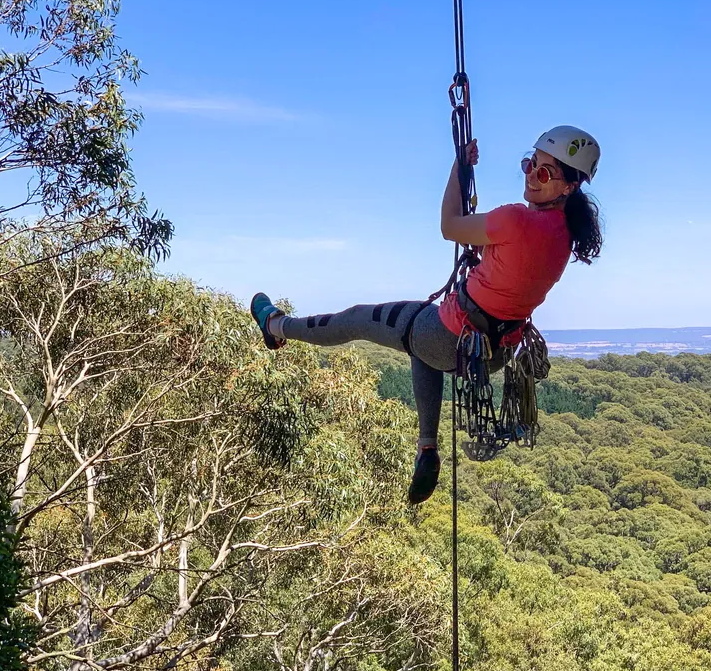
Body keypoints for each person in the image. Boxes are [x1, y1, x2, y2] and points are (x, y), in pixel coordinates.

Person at [251, 125, 603, 503]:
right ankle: (426, 448)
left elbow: (449, 226)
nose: (532, 175)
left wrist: (457, 168)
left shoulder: (515, 220)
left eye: (545, 172)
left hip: (451, 335)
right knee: (422, 349)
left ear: (568, 186)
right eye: (530, 164)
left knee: (357, 319)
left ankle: (276, 326)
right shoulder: (565, 236)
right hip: (492, 354)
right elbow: (514, 266)